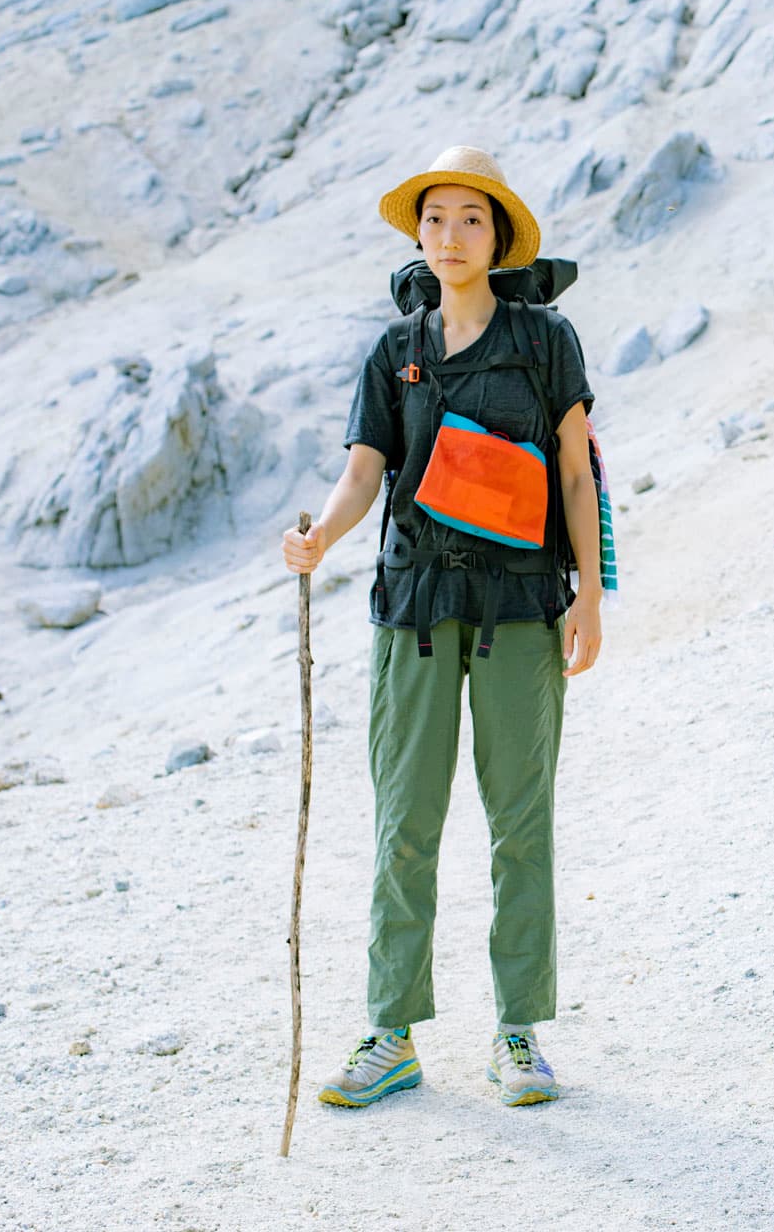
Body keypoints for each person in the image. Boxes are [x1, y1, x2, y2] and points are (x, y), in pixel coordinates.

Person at [282, 145, 602, 1109]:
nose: (452, 235)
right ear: (418, 236)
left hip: (520, 606)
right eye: (436, 218)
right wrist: (321, 540)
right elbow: (364, 472)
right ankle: (392, 1033)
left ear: (498, 235)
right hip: (413, 608)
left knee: (520, 824)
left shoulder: (547, 342)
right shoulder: (395, 351)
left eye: (471, 217)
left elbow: (576, 473)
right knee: (404, 824)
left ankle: (517, 1033)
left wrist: (589, 593)